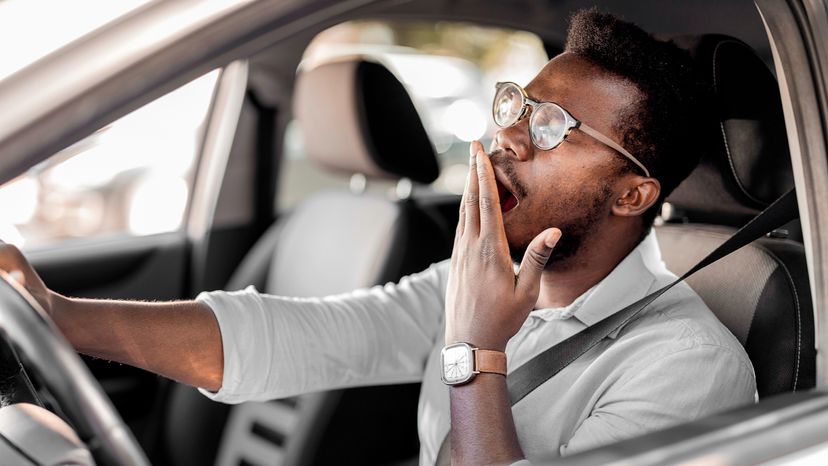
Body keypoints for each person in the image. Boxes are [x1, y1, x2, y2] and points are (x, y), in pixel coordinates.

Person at [0, 9, 755, 466]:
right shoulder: (479, 278)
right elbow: (306, 337)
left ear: (633, 193)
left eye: (556, 128)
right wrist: (61, 318)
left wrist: (472, 351)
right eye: (517, 107)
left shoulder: (688, 368)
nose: (511, 139)